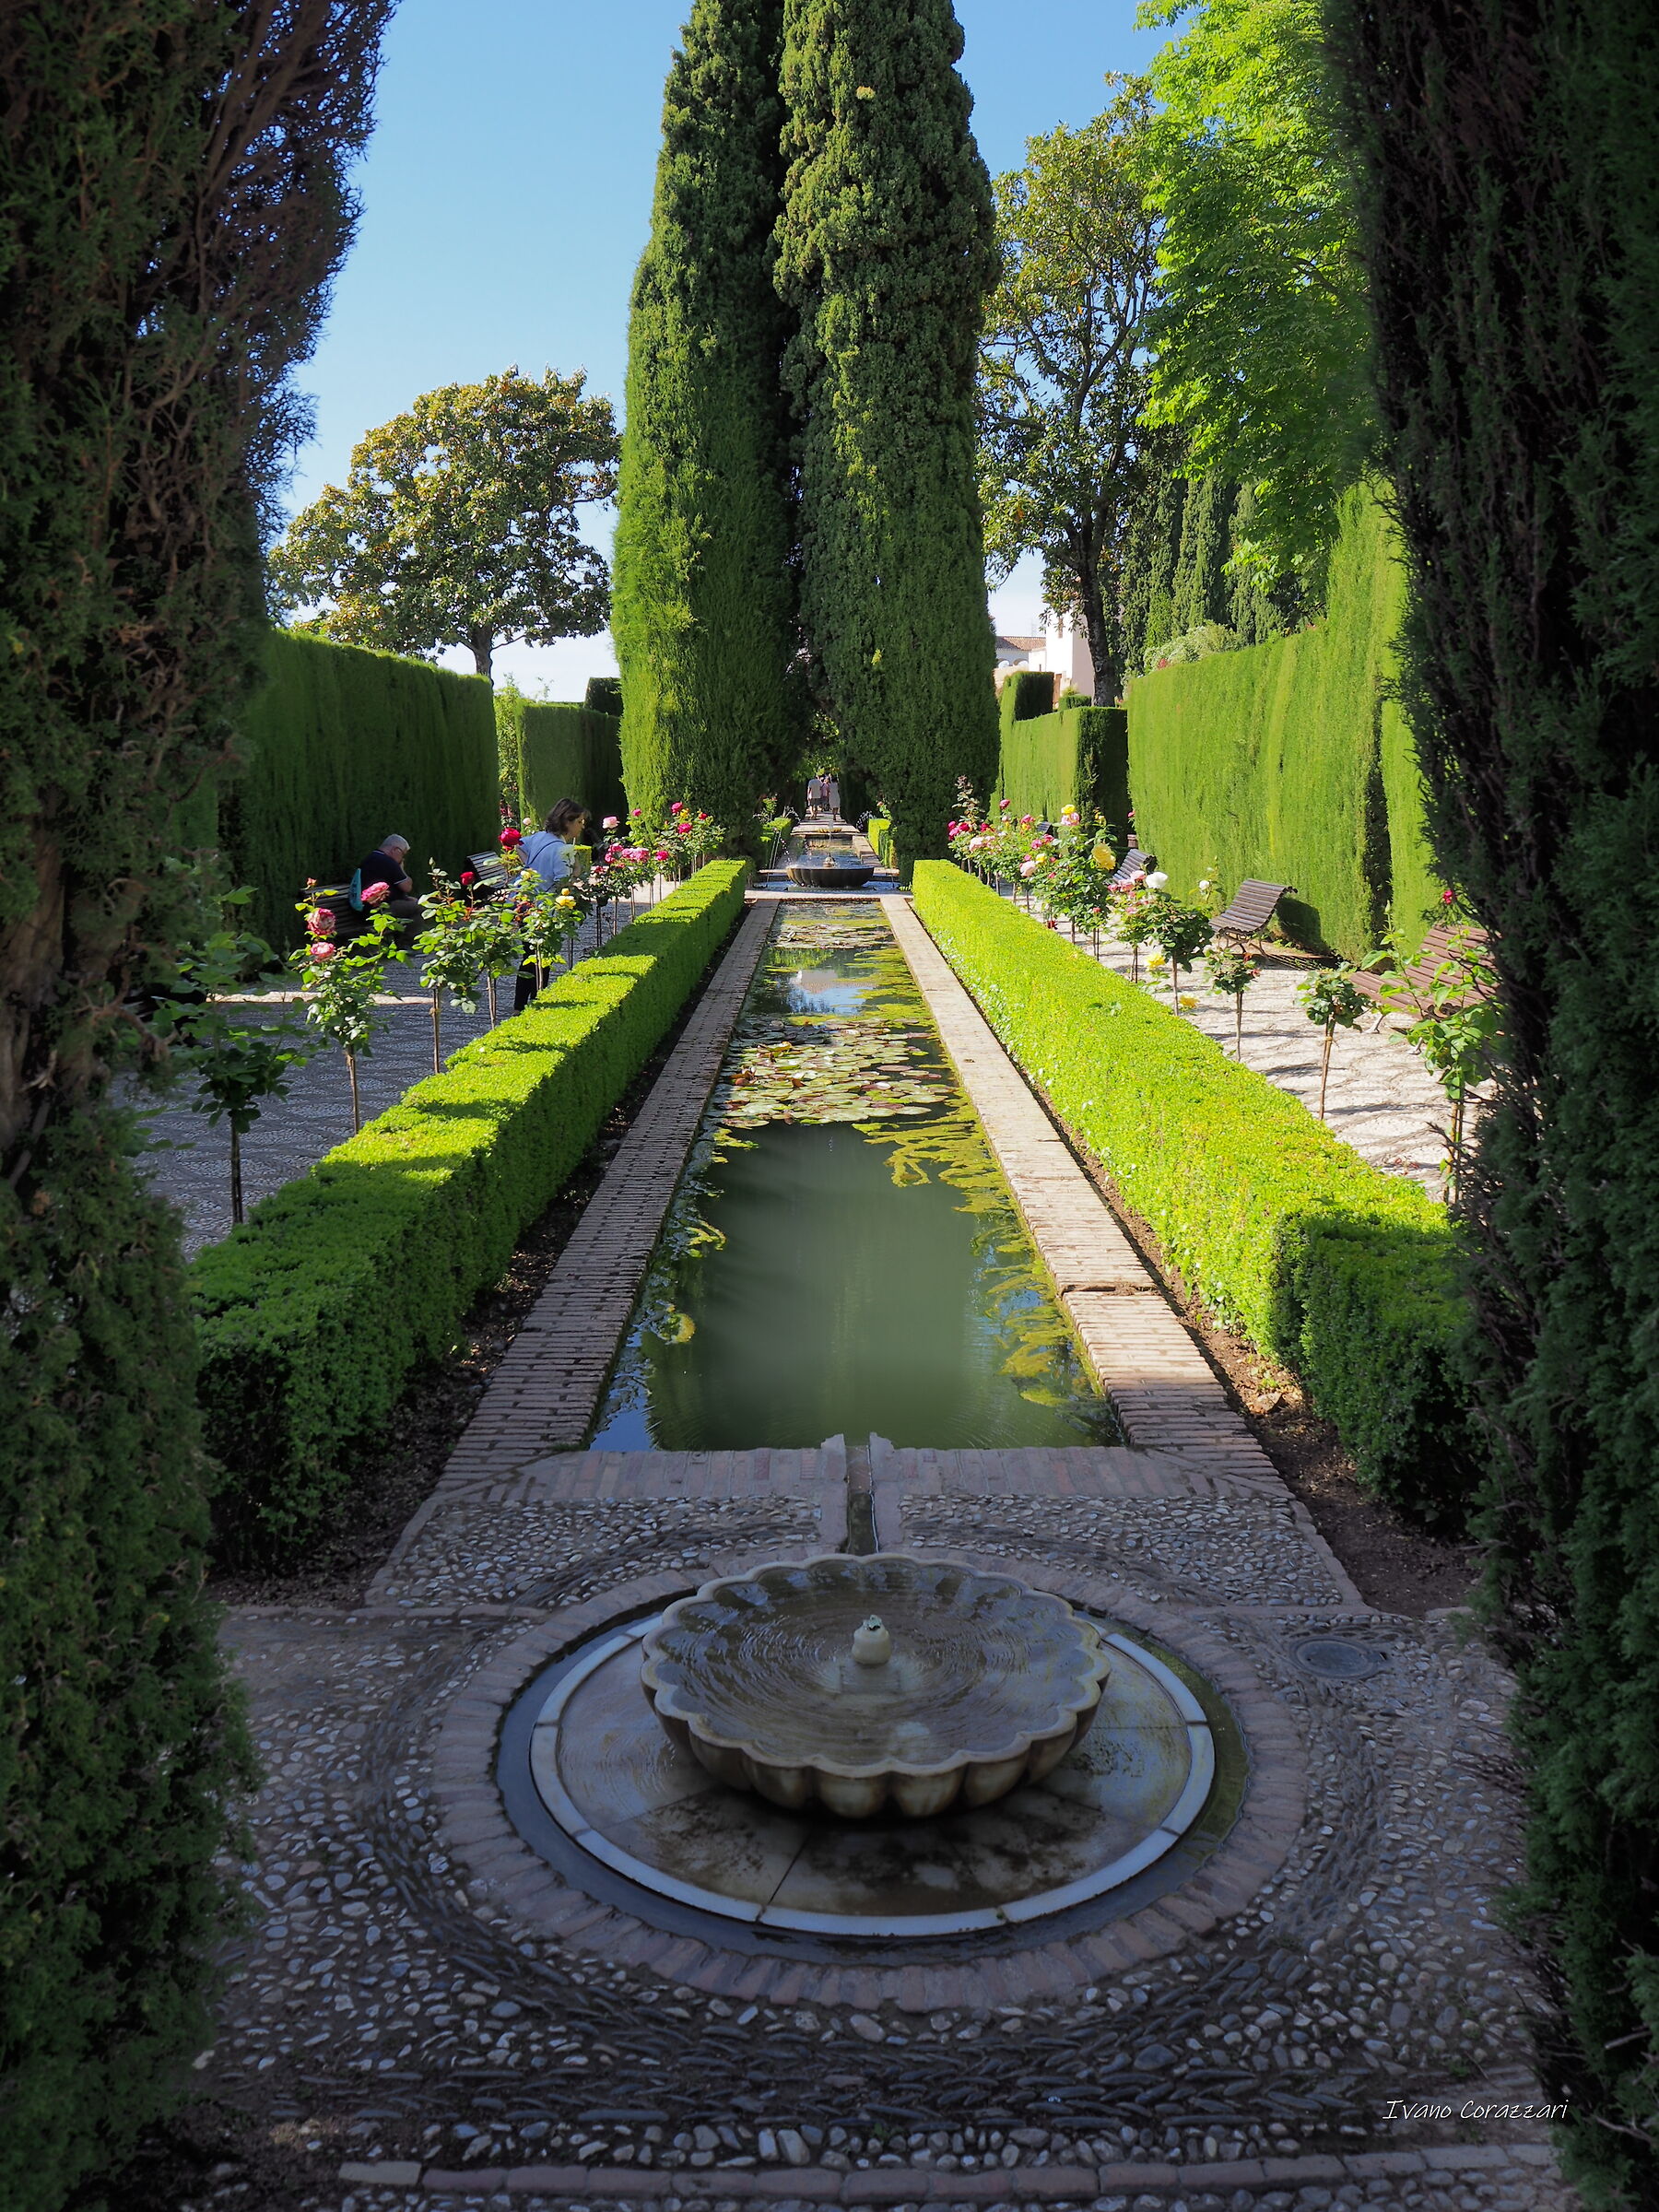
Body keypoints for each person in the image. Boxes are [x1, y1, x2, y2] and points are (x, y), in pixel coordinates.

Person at [513, 797, 590, 1009]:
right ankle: (535, 1003)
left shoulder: (539, 837)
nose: (581, 826)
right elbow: (563, 885)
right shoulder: (561, 850)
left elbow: (518, 846)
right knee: (541, 960)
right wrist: (576, 872)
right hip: (544, 910)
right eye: (579, 822)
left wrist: (529, 867)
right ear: (567, 821)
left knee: (529, 956)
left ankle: (520, 1006)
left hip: (524, 903)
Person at [354, 833, 421, 941]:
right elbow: (407, 886)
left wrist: (405, 898)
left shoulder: (373, 858)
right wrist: (401, 868)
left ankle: (401, 942)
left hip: (367, 908)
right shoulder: (387, 862)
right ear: (395, 850)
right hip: (378, 909)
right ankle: (406, 943)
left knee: (411, 903)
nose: (402, 858)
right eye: (403, 854)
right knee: (420, 906)